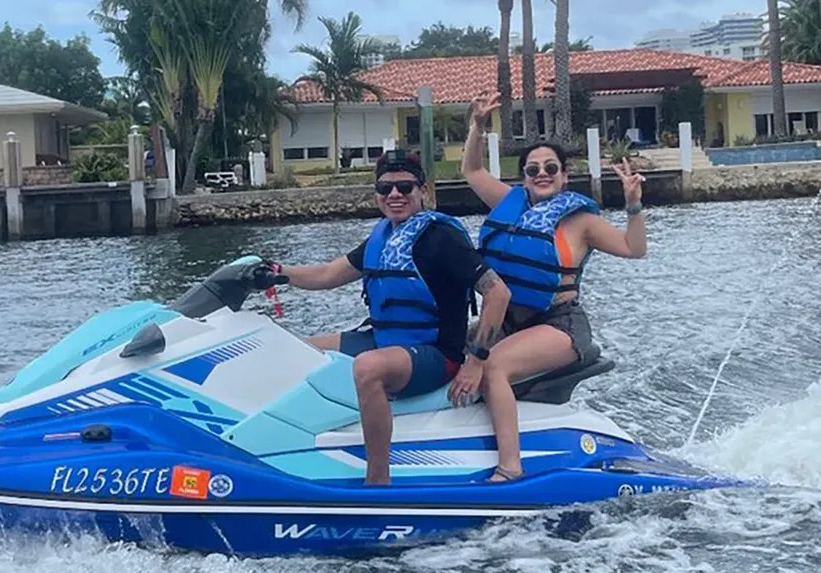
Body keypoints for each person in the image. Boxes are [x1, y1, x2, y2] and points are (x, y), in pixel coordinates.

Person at [268, 150, 510, 485]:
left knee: (368, 368)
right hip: (386, 340)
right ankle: (286, 451)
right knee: (290, 347)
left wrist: (477, 361)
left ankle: (377, 479)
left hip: (435, 354)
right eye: (385, 189)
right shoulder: (382, 238)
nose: (394, 195)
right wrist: (277, 273)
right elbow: (326, 274)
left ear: (422, 190)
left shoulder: (442, 238)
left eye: (404, 187)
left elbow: (498, 293)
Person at [453, 92, 648, 483]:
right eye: (532, 169)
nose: (541, 174)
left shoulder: (581, 222)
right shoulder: (510, 202)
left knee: (491, 364)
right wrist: (477, 126)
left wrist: (633, 204)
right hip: (508, 322)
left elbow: (633, 249)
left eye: (550, 168)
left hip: (560, 325)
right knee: (446, 349)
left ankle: (509, 468)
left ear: (564, 175)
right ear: (523, 176)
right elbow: (472, 171)